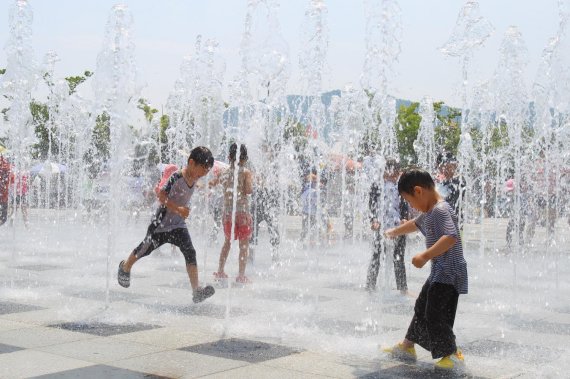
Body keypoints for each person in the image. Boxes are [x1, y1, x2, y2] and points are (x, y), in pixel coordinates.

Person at [382, 169, 468, 371]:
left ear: (419, 191)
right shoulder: (431, 211)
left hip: (449, 272)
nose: (412, 206)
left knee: (435, 313)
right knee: (422, 306)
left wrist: (425, 255)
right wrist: (395, 231)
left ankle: (452, 354)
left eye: (410, 202)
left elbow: (451, 236)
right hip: (440, 271)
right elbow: (415, 224)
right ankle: (407, 346)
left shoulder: (440, 210)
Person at [117, 146, 215, 304]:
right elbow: (161, 196)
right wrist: (179, 209)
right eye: (203, 169)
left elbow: (196, 186)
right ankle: (125, 267)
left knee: (190, 252)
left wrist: (210, 185)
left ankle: (196, 291)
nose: (204, 173)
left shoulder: (195, 178)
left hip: (178, 225)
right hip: (161, 223)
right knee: (144, 249)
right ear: (191, 163)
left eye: (207, 171)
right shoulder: (177, 177)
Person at [210, 143, 254, 284]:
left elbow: (212, 184)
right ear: (245, 158)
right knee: (243, 245)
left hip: (228, 213)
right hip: (242, 212)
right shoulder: (246, 172)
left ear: (229, 157)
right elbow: (248, 190)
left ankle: (220, 271)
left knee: (227, 242)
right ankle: (241, 275)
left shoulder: (223, 172)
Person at [366, 159, 409, 294]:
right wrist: (373, 220)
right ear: (384, 172)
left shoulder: (401, 187)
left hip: (398, 226)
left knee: (399, 256)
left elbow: (405, 205)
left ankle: (402, 288)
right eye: (389, 173)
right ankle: (370, 285)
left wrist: (404, 219)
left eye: (394, 174)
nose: (391, 176)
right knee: (377, 254)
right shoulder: (376, 186)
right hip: (381, 225)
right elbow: (372, 204)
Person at [435, 152, 466, 229]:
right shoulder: (442, 183)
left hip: (454, 227)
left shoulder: (459, 182)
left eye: (448, 166)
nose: (444, 170)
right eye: (441, 168)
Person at [0, 155, 11, 226]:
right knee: (3, 218)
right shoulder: (6, 164)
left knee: (3, 218)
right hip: (4, 196)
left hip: (4, 195)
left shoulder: (5, 164)